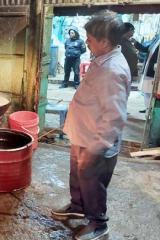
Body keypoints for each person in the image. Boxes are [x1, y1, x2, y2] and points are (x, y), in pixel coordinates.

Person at [51, 10, 131, 240]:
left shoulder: (112, 70)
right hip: (84, 133)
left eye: (90, 39)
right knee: (78, 175)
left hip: (97, 140)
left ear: (105, 42)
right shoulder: (103, 58)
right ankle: (78, 205)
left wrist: (97, 148)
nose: (86, 41)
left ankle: (97, 223)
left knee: (93, 183)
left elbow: (115, 116)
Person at [131, 35, 160, 113]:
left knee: (151, 91)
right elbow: (146, 49)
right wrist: (136, 43)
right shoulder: (157, 38)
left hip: (156, 70)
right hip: (149, 67)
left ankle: (151, 109)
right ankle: (148, 108)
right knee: (146, 90)